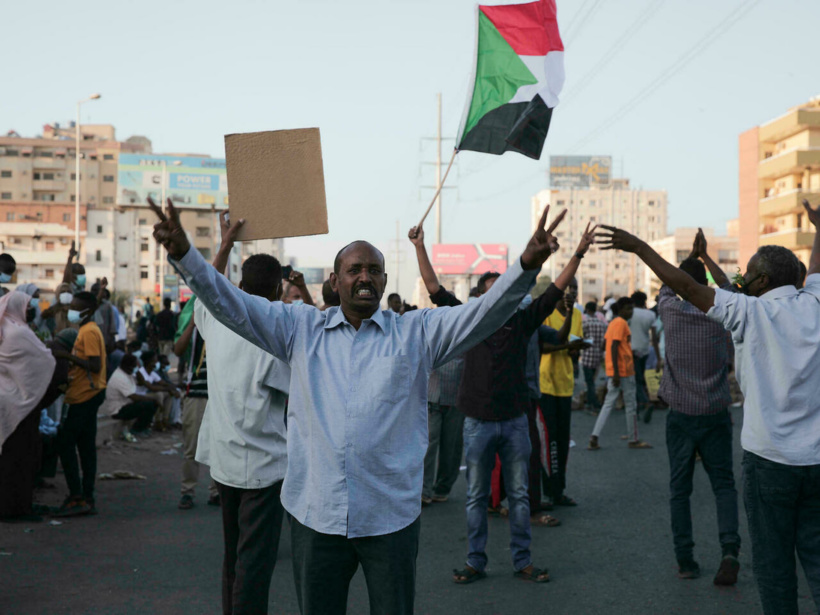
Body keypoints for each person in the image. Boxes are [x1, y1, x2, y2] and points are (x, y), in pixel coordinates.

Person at [150, 196, 567, 614]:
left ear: (384, 281)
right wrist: (185, 254)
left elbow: (484, 314)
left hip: (390, 519)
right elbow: (231, 304)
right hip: (316, 516)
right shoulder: (301, 328)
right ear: (335, 280)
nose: (364, 276)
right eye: (354, 270)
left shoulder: (415, 333)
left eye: (373, 270)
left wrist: (526, 266)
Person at [596, 200, 820, 614]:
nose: (740, 279)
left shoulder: (746, 312)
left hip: (766, 458)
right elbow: (811, 269)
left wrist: (640, 247)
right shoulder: (813, 302)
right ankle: (729, 549)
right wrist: (819, 228)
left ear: (762, 280)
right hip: (813, 460)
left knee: (774, 569)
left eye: (747, 273)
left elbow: (684, 287)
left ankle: (687, 559)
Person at [409, 220, 595, 583]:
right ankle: (475, 562)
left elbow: (555, 290)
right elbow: (433, 288)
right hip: (477, 422)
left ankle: (522, 561)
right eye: (495, 290)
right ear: (481, 299)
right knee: (476, 496)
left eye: (507, 289)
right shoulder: (467, 319)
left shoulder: (523, 321)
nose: (503, 295)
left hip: (514, 420)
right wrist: (419, 246)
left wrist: (577, 254)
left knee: (520, 496)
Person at [196, 210, 291, 614]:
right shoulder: (274, 334)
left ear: (239, 284)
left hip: (224, 462)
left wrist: (226, 244)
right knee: (254, 563)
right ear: (278, 291)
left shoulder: (217, 320)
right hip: (263, 469)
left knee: (233, 558)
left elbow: (206, 286)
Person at [654, 250, 740, 584]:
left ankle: (686, 560)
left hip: (681, 415)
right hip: (715, 411)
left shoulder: (670, 309)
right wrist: (704, 255)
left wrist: (689, 259)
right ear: (704, 283)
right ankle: (729, 549)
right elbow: (730, 288)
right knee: (724, 486)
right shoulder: (721, 313)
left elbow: (667, 284)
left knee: (680, 490)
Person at [0, 291, 56, 521]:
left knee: (8, 459)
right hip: (18, 405)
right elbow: (45, 360)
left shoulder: (4, 327)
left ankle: (12, 506)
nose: (31, 310)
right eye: (28, 306)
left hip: (6, 400)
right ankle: (16, 509)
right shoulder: (19, 332)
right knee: (20, 460)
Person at [53, 291, 107, 516]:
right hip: (84, 394)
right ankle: (86, 496)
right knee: (85, 447)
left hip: (86, 395)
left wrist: (66, 357)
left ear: (89, 310)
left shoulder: (89, 332)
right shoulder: (86, 330)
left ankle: (77, 495)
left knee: (65, 443)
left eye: (76, 308)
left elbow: (94, 366)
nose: (72, 311)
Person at [539, 277, 588, 507]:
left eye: (575, 288)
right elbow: (543, 347)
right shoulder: (546, 313)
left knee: (562, 439)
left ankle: (559, 490)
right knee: (549, 441)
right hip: (546, 384)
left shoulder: (577, 315)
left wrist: (576, 349)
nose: (572, 292)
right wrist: (568, 345)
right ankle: (549, 489)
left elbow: (572, 347)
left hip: (565, 384)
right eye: (569, 288)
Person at [588, 297, 652, 450]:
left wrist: (627, 354)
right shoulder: (621, 323)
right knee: (631, 405)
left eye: (632, 309)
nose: (631, 312)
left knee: (608, 404)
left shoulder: (613, 323)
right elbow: (614, 346)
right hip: (624, 371)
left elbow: (606, 344)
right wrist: (617, 372)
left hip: (616, 370)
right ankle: (633, 439)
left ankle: (594, 436)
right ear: (621, 309)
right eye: (628, 309)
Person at [174, 299, 219, 510]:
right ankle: (187, 491)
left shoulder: (224, 328)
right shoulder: (194, 331)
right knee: (191, 446)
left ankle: (216, 491)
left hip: (220, 395)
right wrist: (192, 323)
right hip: (196, 394)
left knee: (219, 447)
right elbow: (177, 349)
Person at [99, 354, 158, 441]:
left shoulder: (128, 373)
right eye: (135, 366)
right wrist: (151, 399)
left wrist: (138, 371)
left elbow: (141, 382)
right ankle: (137, 429)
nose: (136, 368)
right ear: (128, 366)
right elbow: (134, 397)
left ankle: (144, 427)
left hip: (125, 404)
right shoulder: (120, 377)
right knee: (148, 404)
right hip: (118, 410)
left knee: (152, 403)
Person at [629, 291, 658, 419]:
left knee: (635, 379)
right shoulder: (651, 314)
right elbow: (654, 338)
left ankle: (645, 403)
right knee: (640, 377)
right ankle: (638, 407)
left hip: (631, 350)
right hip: (645, 349)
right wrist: (658, 356)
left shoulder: (629, 313)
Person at [135, 349, 179, 431]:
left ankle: (165, 419)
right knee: (159, 394)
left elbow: (163, 383)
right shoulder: (141, 372)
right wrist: (168, 388)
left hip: (147, 394)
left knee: (168, 394)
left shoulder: (152, 373)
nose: (156, 363)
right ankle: (158, 421)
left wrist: (173, 389)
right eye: (155, 361)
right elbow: (151, 387)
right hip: (140, 395)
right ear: (149, 361)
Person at [581, 301, 607, 412]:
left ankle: (593, 404)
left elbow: (580, 337)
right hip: (598, 355)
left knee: (589, 382)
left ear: (587, 310)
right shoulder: (602, 323)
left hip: (587, 355)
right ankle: (590, 402)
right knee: (592, 381)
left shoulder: (585, 322)